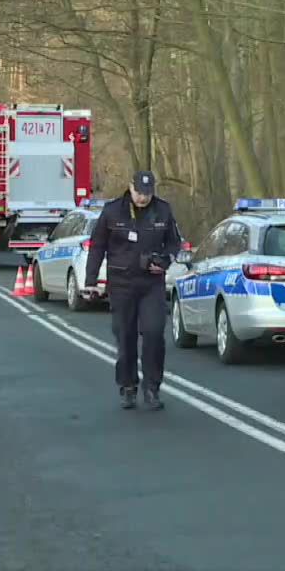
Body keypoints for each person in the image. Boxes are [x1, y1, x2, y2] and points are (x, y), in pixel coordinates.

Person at [85, 171, 182, 410]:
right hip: (121, 283)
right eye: (139, 193)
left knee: (154, 333)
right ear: (130, 187)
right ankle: (128, 386)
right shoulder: (113, 211)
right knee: (125, 336)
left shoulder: (163, 210)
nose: (143, 198)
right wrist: (90, 279)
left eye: (147, 193)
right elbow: (97, 246)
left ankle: (152, 387)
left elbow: (174, 242)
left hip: (151, 283)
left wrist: (165, 260)